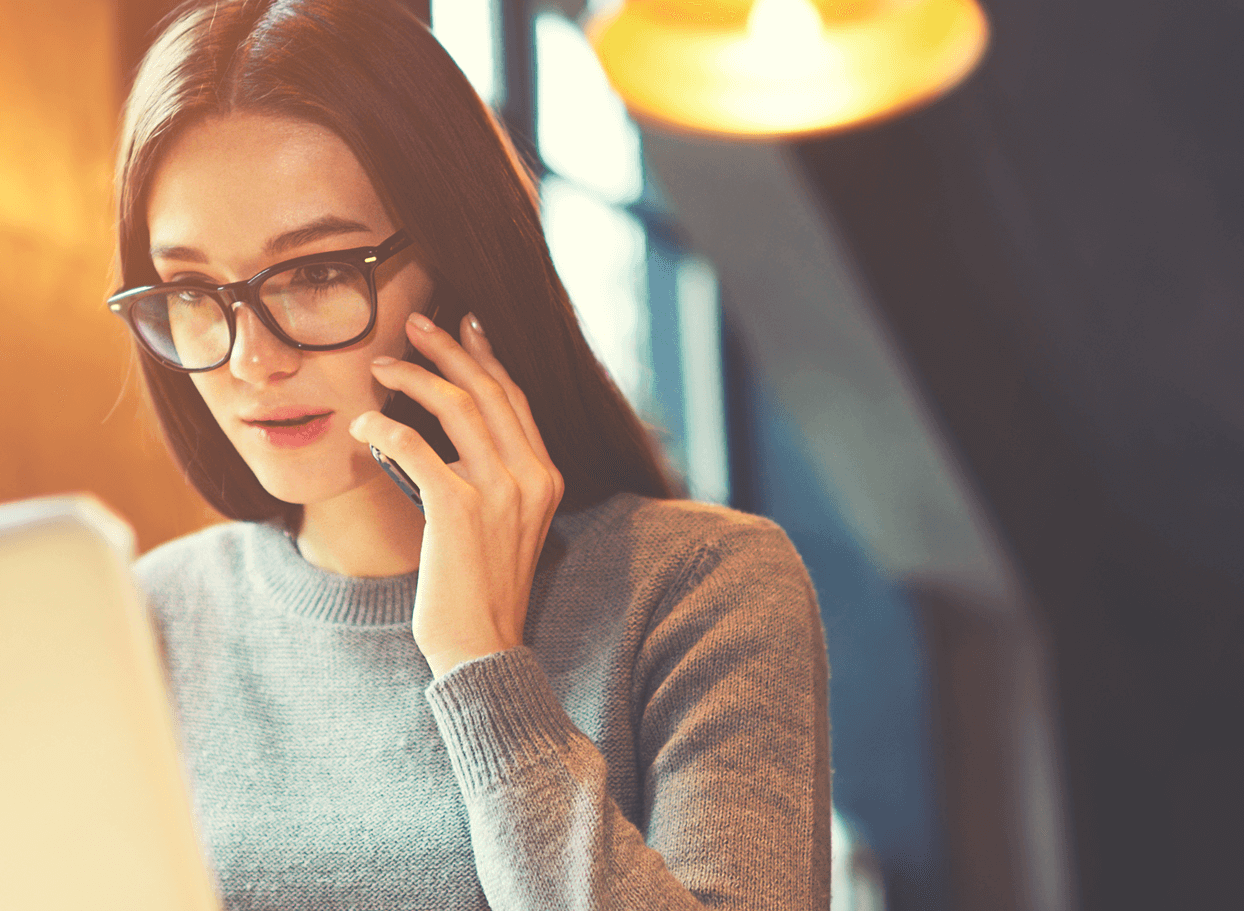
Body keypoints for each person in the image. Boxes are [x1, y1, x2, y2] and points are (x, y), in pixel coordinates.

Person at [104, 1, 831, 909]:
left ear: (457, 274)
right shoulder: (140, 625)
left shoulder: (699, 589)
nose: (254, 356)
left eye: (319, 272)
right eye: (189, 289)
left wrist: (481, 665)